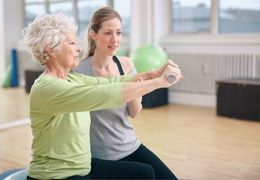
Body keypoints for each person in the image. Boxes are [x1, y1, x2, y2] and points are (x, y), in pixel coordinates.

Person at [22, 12, 182, 180]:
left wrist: (154, 74)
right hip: (56, 174)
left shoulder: (72, 78)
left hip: (83, 167)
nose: (78, 48)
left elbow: (111, 82)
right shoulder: (48, 88)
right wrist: (160, 83)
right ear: (51, 49)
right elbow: (106, 94)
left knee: (145, 173)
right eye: (71, 43)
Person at [73, 7, 178, 179]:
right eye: (107, 33)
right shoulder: (79, 70)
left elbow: (135, 112)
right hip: (99, 156)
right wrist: (157, 82)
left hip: (130, 145)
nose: (115, 40)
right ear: (93, 34)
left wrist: (137, 84)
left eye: (119, 33)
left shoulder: (126, 65)